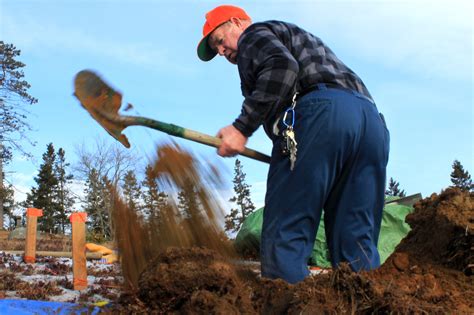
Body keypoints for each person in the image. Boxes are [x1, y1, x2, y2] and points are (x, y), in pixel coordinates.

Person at [197, 5, 390, 284]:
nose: (221, 51)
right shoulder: (297, 38)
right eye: (217, 50)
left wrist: (242, 128)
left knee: (285, 234)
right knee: (356, 241)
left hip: (320, 117)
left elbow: (281, 67)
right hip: (369, 123)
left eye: (219, 41)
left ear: (237, 22)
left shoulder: (253, 36)